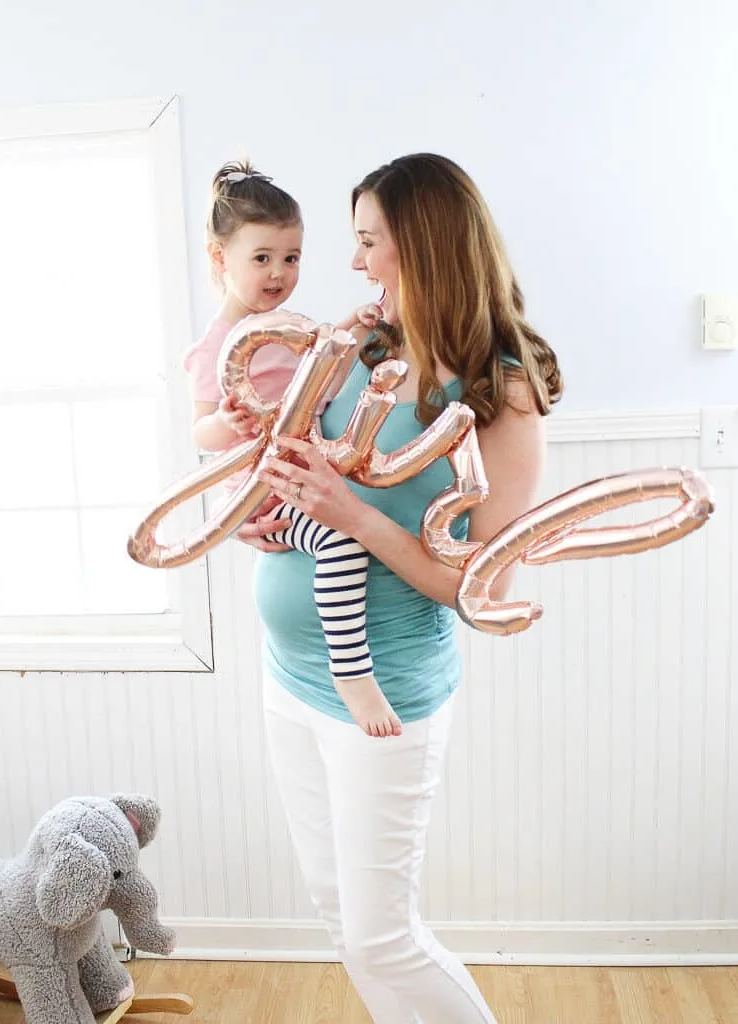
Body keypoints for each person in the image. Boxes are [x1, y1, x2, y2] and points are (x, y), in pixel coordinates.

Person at [240, 153, 563, 1023]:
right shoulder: (364, 346)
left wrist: (355, 520)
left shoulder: (501, 386)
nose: (355, 262)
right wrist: (264, 510)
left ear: (421, 246)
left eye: (369, 240)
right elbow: (308, 471)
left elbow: (483, 589)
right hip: (288, 678)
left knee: (382, 937)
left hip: (383, 692)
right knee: (343, 923)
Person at [183, 160, 402, 737]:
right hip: (265, 495)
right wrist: (227, 421)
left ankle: (347, 668)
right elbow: (199, 432)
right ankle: (352, 671)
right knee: (341, 544)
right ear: (218, 258)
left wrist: (351, 330)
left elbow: (323, 383)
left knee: (344, 534)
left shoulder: (292, 327)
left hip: (296, 479)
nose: (279, 272)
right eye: (262, 258)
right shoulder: (215, 349)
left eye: (292, 257)